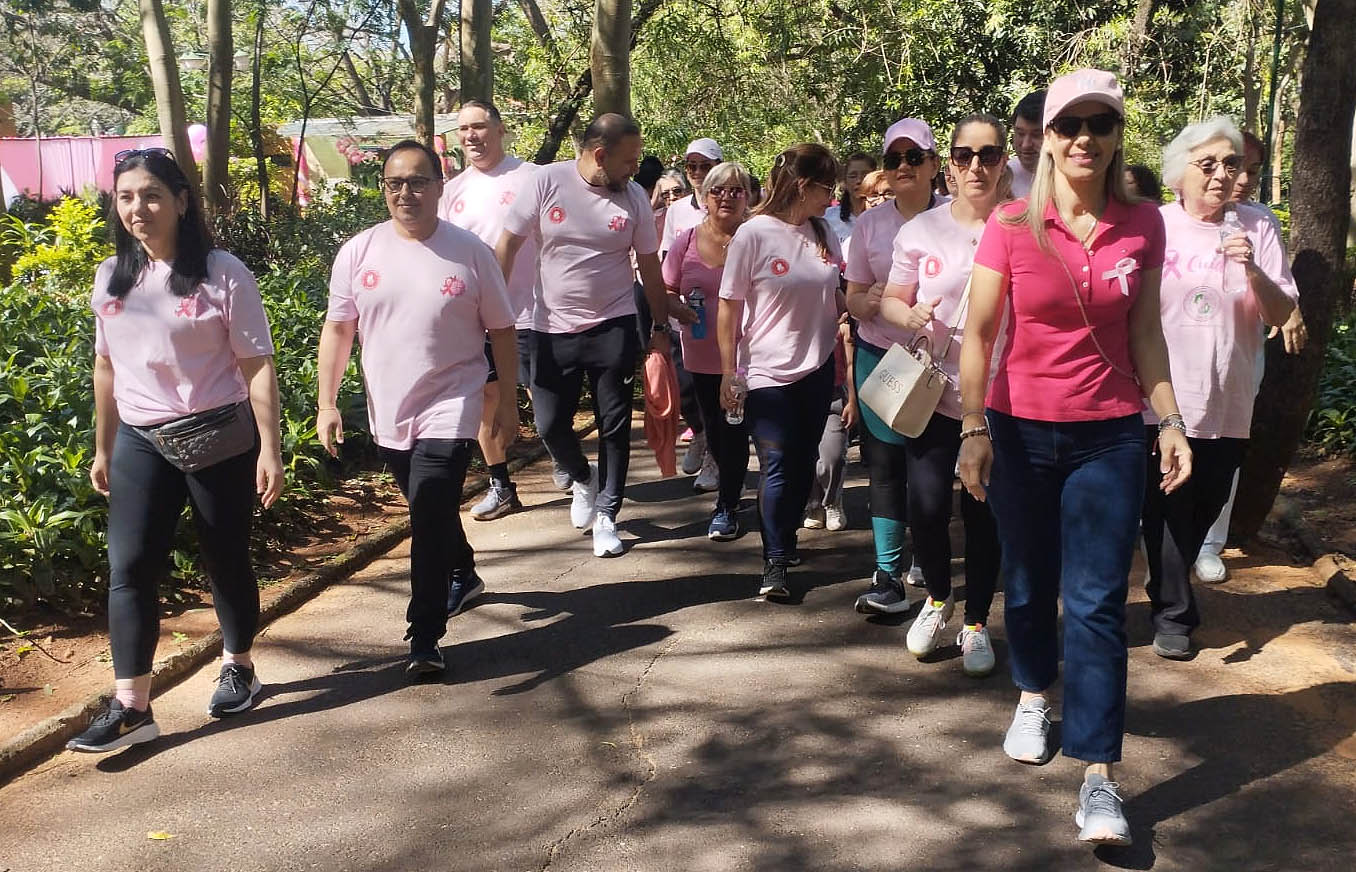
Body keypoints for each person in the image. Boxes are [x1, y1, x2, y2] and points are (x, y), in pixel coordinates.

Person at [957, 69, 1192, 846]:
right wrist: (973, 429)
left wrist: (1169, 420)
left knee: (1093, 602)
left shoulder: (1143, 223)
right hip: (1020, 430)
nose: (1084, 138)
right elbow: (981, 336)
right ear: (1048, 138)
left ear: (1117, 133)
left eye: (1100, 124)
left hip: (1111, 433)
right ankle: (1032, 692)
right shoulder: (1011, 226)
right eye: (1070, 125)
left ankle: (1098, 779)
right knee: (1028, 584)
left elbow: (1148, 333)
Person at [67, 148, 284, 752]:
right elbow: (105, 366)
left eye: (153, 195)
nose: (139, 208)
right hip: (141, 437)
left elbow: (257, 366)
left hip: (217, 434)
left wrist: (271, 446)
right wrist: (103, 445)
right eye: (127, 196)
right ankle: (132, 706)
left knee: (224, 557)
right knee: (130, 567)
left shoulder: (222, 272)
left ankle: (238, 664)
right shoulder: (111, 276)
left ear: (182, 202)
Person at [318, 140, 517, 676]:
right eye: (394, 183)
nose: (406, 193)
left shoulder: (470, 251)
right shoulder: (359, 251)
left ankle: (424, 635)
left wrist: (509, 403)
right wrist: (327, 402)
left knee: (428, 507)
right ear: (383, 188)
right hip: (390, 407)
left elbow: (501, 329)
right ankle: (465, 569)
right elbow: (339, 330)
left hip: (453, 400)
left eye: (418, 182)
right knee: (428, 507)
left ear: (440, 186)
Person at [1142, 117, 1297, 659]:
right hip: (1161, 396)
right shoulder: (1154, 226)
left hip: (1229, 397)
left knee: (1205, 501)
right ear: (1178, 174)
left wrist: (1252, 269)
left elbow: (1282, 311)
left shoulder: (1258, 226)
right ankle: (1174, 613)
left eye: (1230, 164)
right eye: (1206, 164)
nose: (1220, 175)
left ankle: (1165, 586)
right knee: (1166, 505)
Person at [497, 114, 684, 558]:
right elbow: (507, 244)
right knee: (548, 425)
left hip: (613, 325)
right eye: (628, 161)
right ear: (599, 154)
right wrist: (491, 307)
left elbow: (650, 268)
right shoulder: (547, 182)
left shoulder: (634, 198)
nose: (634, 170)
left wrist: (658, 327)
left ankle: (607, 513)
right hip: (550, 328)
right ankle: (583, 478)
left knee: (614, 424)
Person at [878, 114, 1008, 677]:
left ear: (1004, 161)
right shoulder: (921, 231)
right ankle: (937, 597)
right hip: (933, 390)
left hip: (1003, 393)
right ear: (948, 164)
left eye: (988, 155)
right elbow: (888, 299)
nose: (975, 166)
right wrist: (907, 313)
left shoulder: (1023, 224)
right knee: (926, 508)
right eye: (963, 155)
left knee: (985, 514)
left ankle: (976, 621)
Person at [718, 143, 844, 600]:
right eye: (827, 188)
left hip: (817, 367)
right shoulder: (753, 234)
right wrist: (729, 372)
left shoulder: (824, 231)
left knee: (803, 461)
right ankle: (774, 562)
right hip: (766, 372)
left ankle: (785, 539)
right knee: (775, 465)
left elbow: (838, 297)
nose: (832, 198)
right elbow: (728, 308)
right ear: (804, 186)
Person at [1193, 130, 1308, 583]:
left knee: (1227, 442)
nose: (1239, 179)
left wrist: (1286, 307)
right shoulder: (1171, 219)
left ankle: (1209, 542)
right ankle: (1158, 529)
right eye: (1233, 167)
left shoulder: (1261, 222)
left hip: (1240, 352)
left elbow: (1280, 293)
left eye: (1252, 171)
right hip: (1181, 351)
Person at [842, 117, 943, 614]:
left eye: (913, 157)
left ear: (933, 164)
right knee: (885, 467)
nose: (902, 167)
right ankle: (887, 575)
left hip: (940, 364)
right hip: (881, 357)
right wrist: (869, 302)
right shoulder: (869, 225)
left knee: (930, 468)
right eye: (893, 159)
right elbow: (852, 297)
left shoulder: (957, 217)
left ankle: (928, 559)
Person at [438, 100, 538, 530]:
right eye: (463, 129)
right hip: (477, 317)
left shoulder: (531, 176)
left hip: (535, 311)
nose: (470, 136)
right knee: (486, 402)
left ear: (499, 129)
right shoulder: (452, 190)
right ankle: (502, 486)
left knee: (545, 400)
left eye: (479, 126)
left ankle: (571, 467)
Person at [662, 162, 755, 540]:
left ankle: (738, 504)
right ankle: (729, 503)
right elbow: (665, 288)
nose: (726, 197)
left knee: (748, 434)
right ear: (704, 197)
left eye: (736, 190)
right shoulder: (686, 240)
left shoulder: (758, 236)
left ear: (749, 198)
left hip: (752, 356)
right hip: (702, 355)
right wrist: (678, 309)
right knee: (719, 435)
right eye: (718, 190)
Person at [659, 138, 723, 253]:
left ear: (719, 167)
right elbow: (667, 254)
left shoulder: (732, 207)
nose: (697, 172)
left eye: (705, 166)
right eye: (692, 167)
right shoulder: (675, 210)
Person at [824, 151, 879, 253]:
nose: (859, 180)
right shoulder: (827, 217)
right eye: (853, 176)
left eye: (865, 175)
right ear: (844, 181)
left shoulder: (887, 217)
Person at [1007, 89, 1045, 198]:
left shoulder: (1073, 178)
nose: (1026, 145)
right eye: (1020, 133)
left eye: (1036, 135)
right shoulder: (1001, 178)